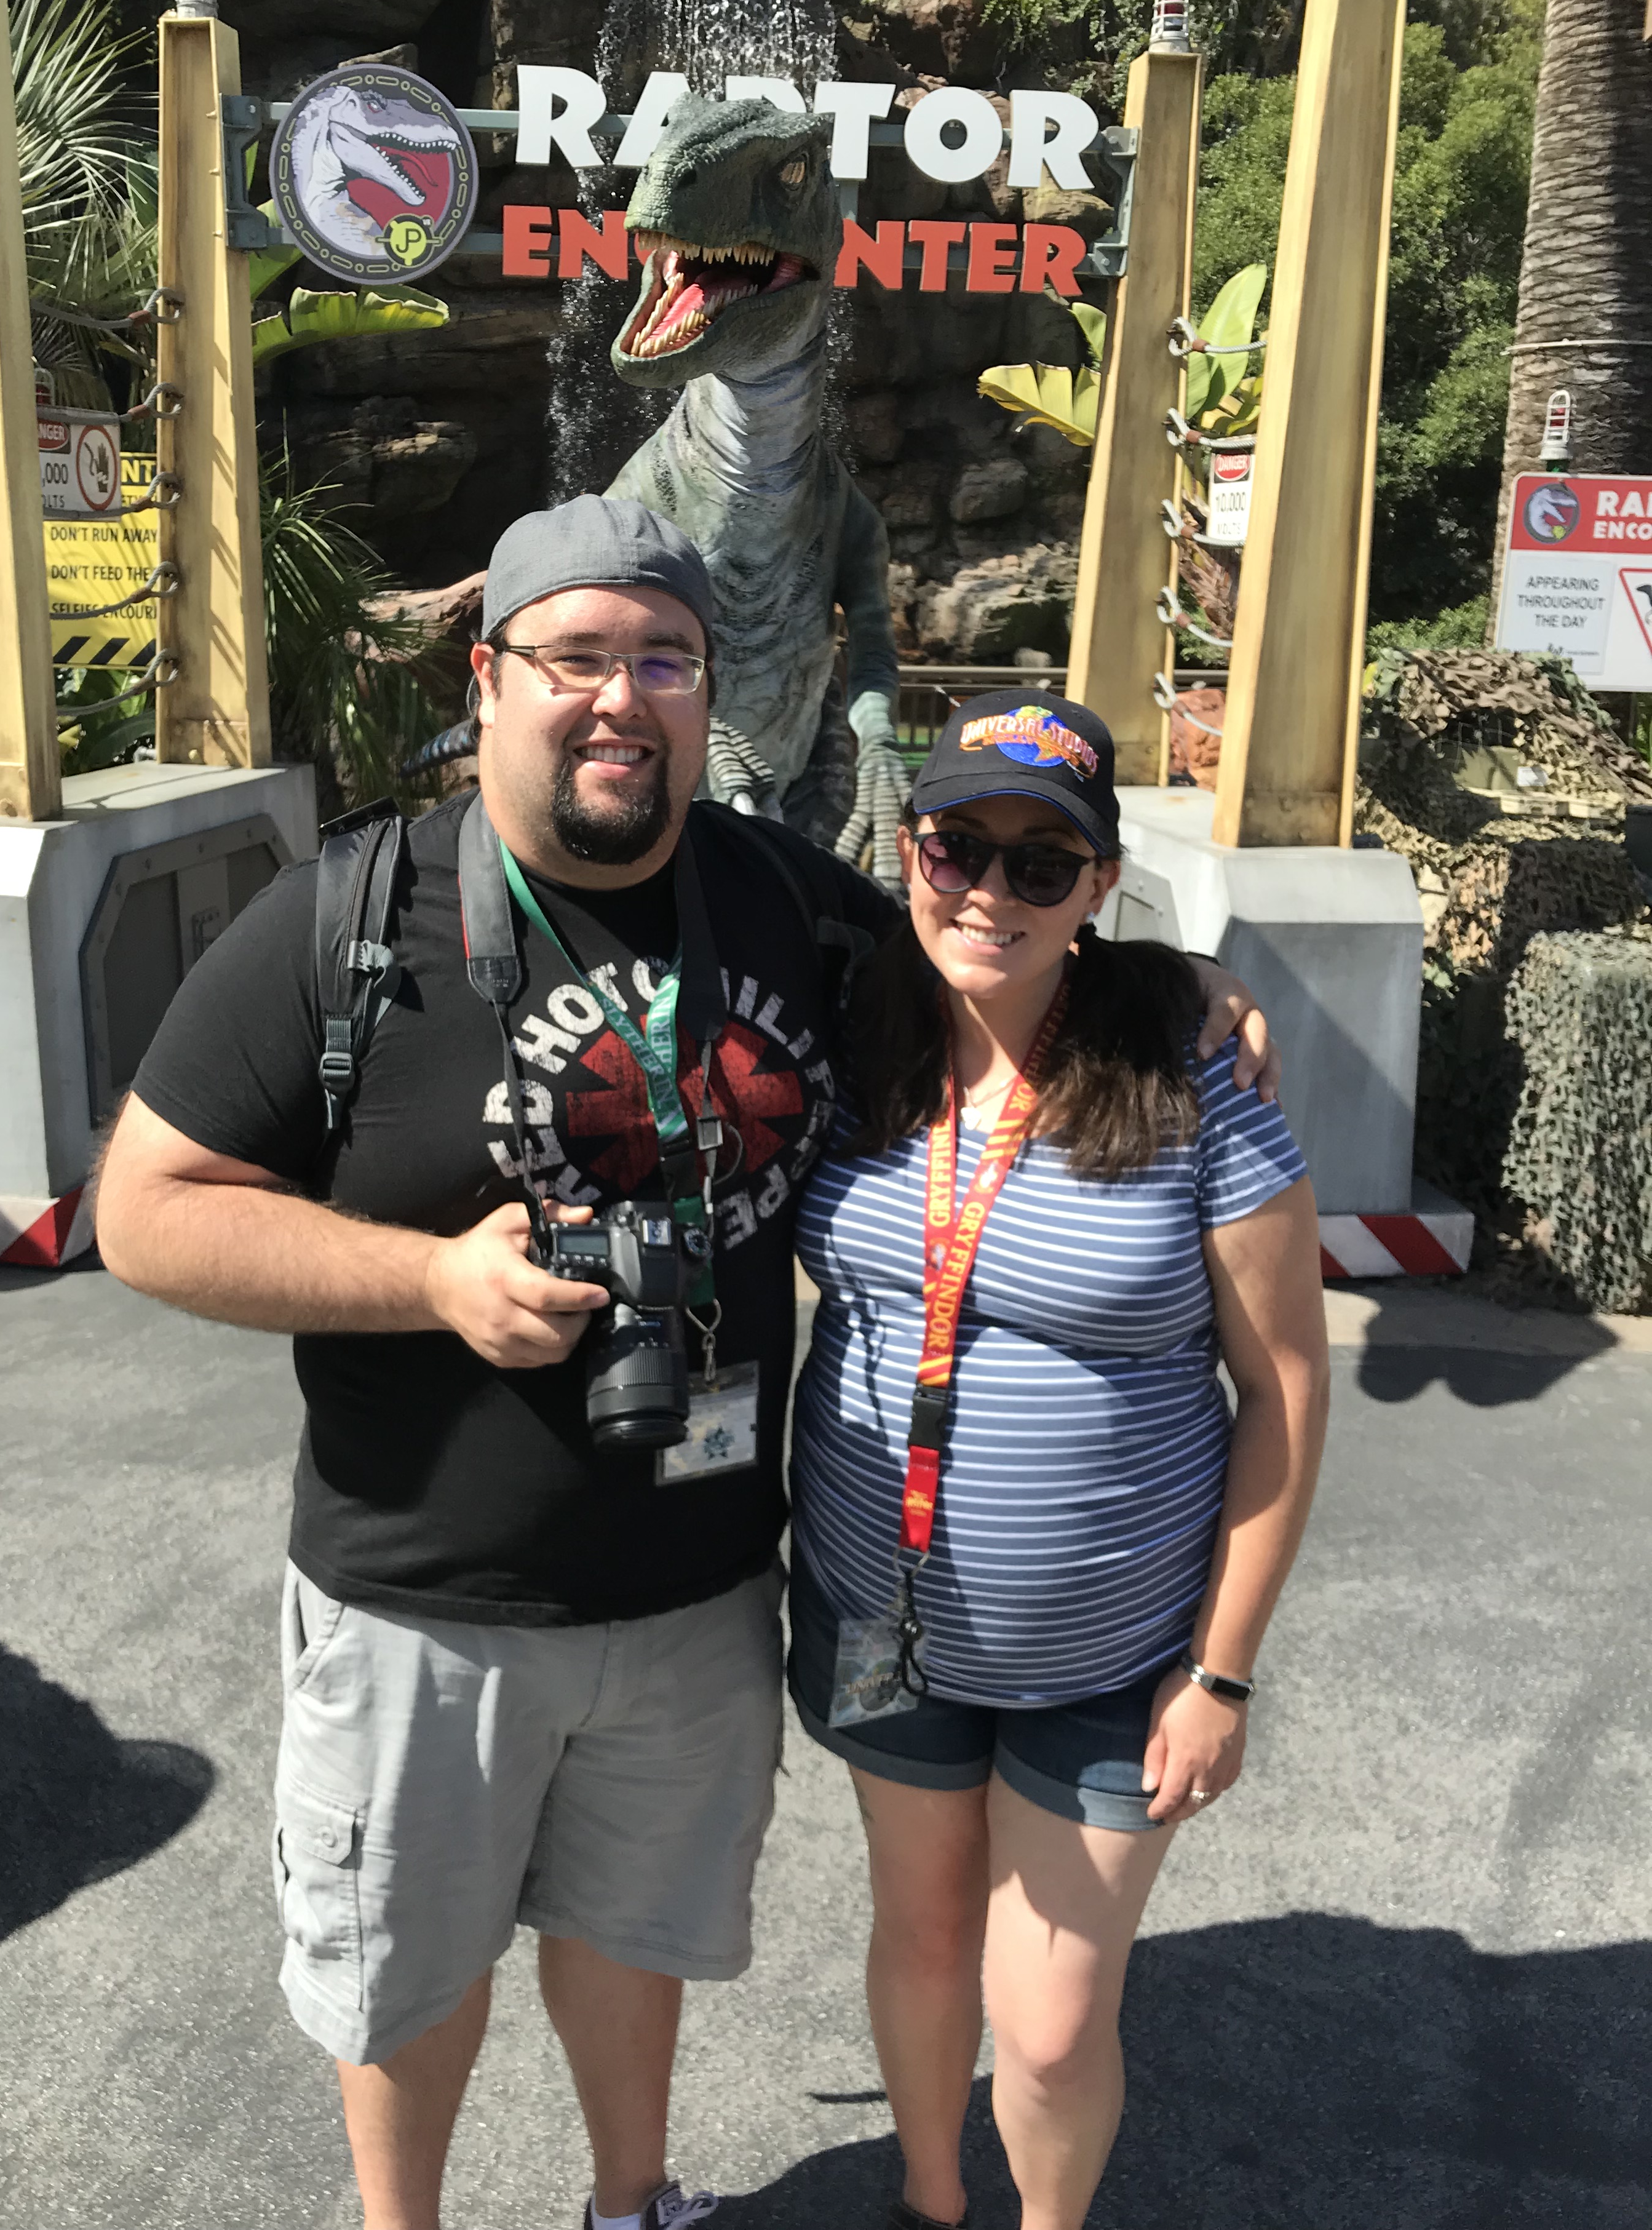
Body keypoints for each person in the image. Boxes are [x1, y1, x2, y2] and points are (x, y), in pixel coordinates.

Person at [95, 500, 1276, 2230]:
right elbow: (143, 1215)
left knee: (627, 1933)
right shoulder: (345, 912)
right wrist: (430, 1280)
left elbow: (997, 938)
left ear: (711, 691)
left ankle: (632, 2201)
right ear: (488, 677)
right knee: (407, 1970)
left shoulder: (786, 899)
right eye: (576, 656)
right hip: (426, 1591)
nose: (622, 697)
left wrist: (1168, 977)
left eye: (666, 659)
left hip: (700, 1588)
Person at [785, 691, 1329, 2230]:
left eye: (1043, 865)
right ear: (910, 850)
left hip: (1113, 1655)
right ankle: (931, 2201)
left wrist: (1220, 1674)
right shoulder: (853, 1041)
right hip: (878, 1619)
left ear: (1100, 885)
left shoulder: (1187, 1072)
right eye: (959, 849)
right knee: (920, 1936)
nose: (990, 892)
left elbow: (1287, 1388)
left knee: (1047, 2024)